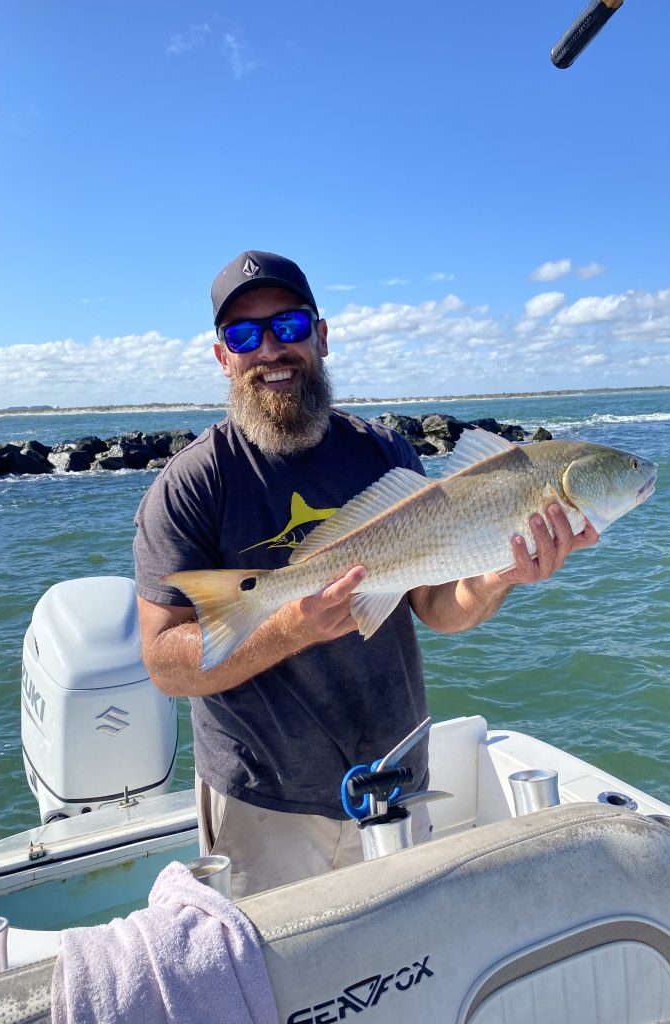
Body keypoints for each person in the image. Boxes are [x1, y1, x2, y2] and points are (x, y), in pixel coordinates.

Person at [133, 249, 598, 899]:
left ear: (321, 336)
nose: (271, 349)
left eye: (290, 326)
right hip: (266, 804)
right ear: (223, 357)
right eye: (244, 334)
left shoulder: (384, 452)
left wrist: (497, 576)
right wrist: (288, 629)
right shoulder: (194, 484)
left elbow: (437, 605)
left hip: (398, 779)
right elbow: (164, 663)